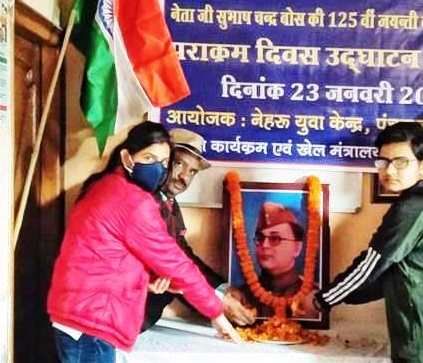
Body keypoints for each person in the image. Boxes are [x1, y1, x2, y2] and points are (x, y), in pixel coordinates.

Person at [47, 121, 239, 363]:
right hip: (92, 323)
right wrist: (216, 311)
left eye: (163, 162)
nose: (158, 168)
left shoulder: (103, 185)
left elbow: (104, 256)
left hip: (78, 315)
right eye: (149, 158)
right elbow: (176, 263)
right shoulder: (134, 201)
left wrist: (147, 279)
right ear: (127, 157)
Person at [309, 122, 423, 363]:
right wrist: (338, 297)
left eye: (400, 162)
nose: (389, 171)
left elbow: (369, 267)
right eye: (383, 161)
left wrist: (321, 300)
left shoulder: (414, 208)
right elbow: (390, 276)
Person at [143, 128, 255, 329]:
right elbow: (171, 267)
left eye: (192, 171)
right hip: (119, 318)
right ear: (163, 160)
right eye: (179, 164)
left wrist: (223, 289)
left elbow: (184, 256)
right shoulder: (143, 201)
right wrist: (216, 301)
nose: (184, 177)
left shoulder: (170, 203)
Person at [236, 201, 319, 318]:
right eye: (260, 238)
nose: (264, 245)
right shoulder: (242, 297)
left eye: (275, 238)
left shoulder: (314, 297)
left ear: (297, 248)